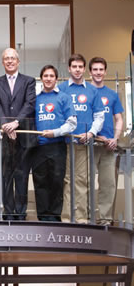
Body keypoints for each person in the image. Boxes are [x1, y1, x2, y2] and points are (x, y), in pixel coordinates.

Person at [0, 48, 36, 220]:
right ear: (2, 62)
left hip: (24, 136)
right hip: (2, 138)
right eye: (6, 59)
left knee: (22, 176)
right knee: (5, 177)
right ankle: (8, 214)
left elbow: (29, 104)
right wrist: (5, 126)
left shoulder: (29, 81)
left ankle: (21, 214)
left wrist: (16, 123)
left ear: (18, 61)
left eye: (12, 58)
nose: (9, 61)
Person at [59, 54, 105, 224]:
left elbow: (99, 116)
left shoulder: (92, 90)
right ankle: (66, 218)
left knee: (81, 180)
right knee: (66, 180)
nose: (77, 70)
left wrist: (91, 133)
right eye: (74, 66)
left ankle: (80, 218)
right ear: (69, 69)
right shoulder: (62, 89)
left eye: (80, 67)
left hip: (83, 143)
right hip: (63, 144)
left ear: (84, 69)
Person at [28, 65, 77, 221]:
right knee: (40, 182)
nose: (48, 78)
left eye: (51, 76)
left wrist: (54, 132)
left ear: (56, 79)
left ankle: (55, 218)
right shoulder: (35, 99)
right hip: (38, 147)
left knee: (56, 182)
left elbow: (72, 123)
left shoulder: (63, 98)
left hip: (57, 146)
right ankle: (43, 218)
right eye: (45, 76)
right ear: (41, 78)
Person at [89, 57, 124, 225]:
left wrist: (115, 138)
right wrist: (95, 135)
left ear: (105, 72)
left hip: (109, 146)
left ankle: (105, 219)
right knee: (85, 183)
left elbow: (119, 119)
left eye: (101, 69)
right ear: (90, 72)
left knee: (108, 184)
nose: (98, 72)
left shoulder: (112, 94)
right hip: (89, 145)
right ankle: (86, 218)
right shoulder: (85, 93)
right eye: (95, 69)